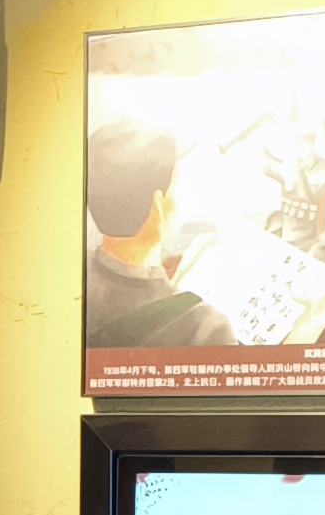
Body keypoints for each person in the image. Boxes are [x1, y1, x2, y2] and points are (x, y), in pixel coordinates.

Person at [83, 122, 230, 349]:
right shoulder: (204, 328)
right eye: (175, 184)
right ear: (158, 206)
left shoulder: (71, 279)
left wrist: (164, 286)